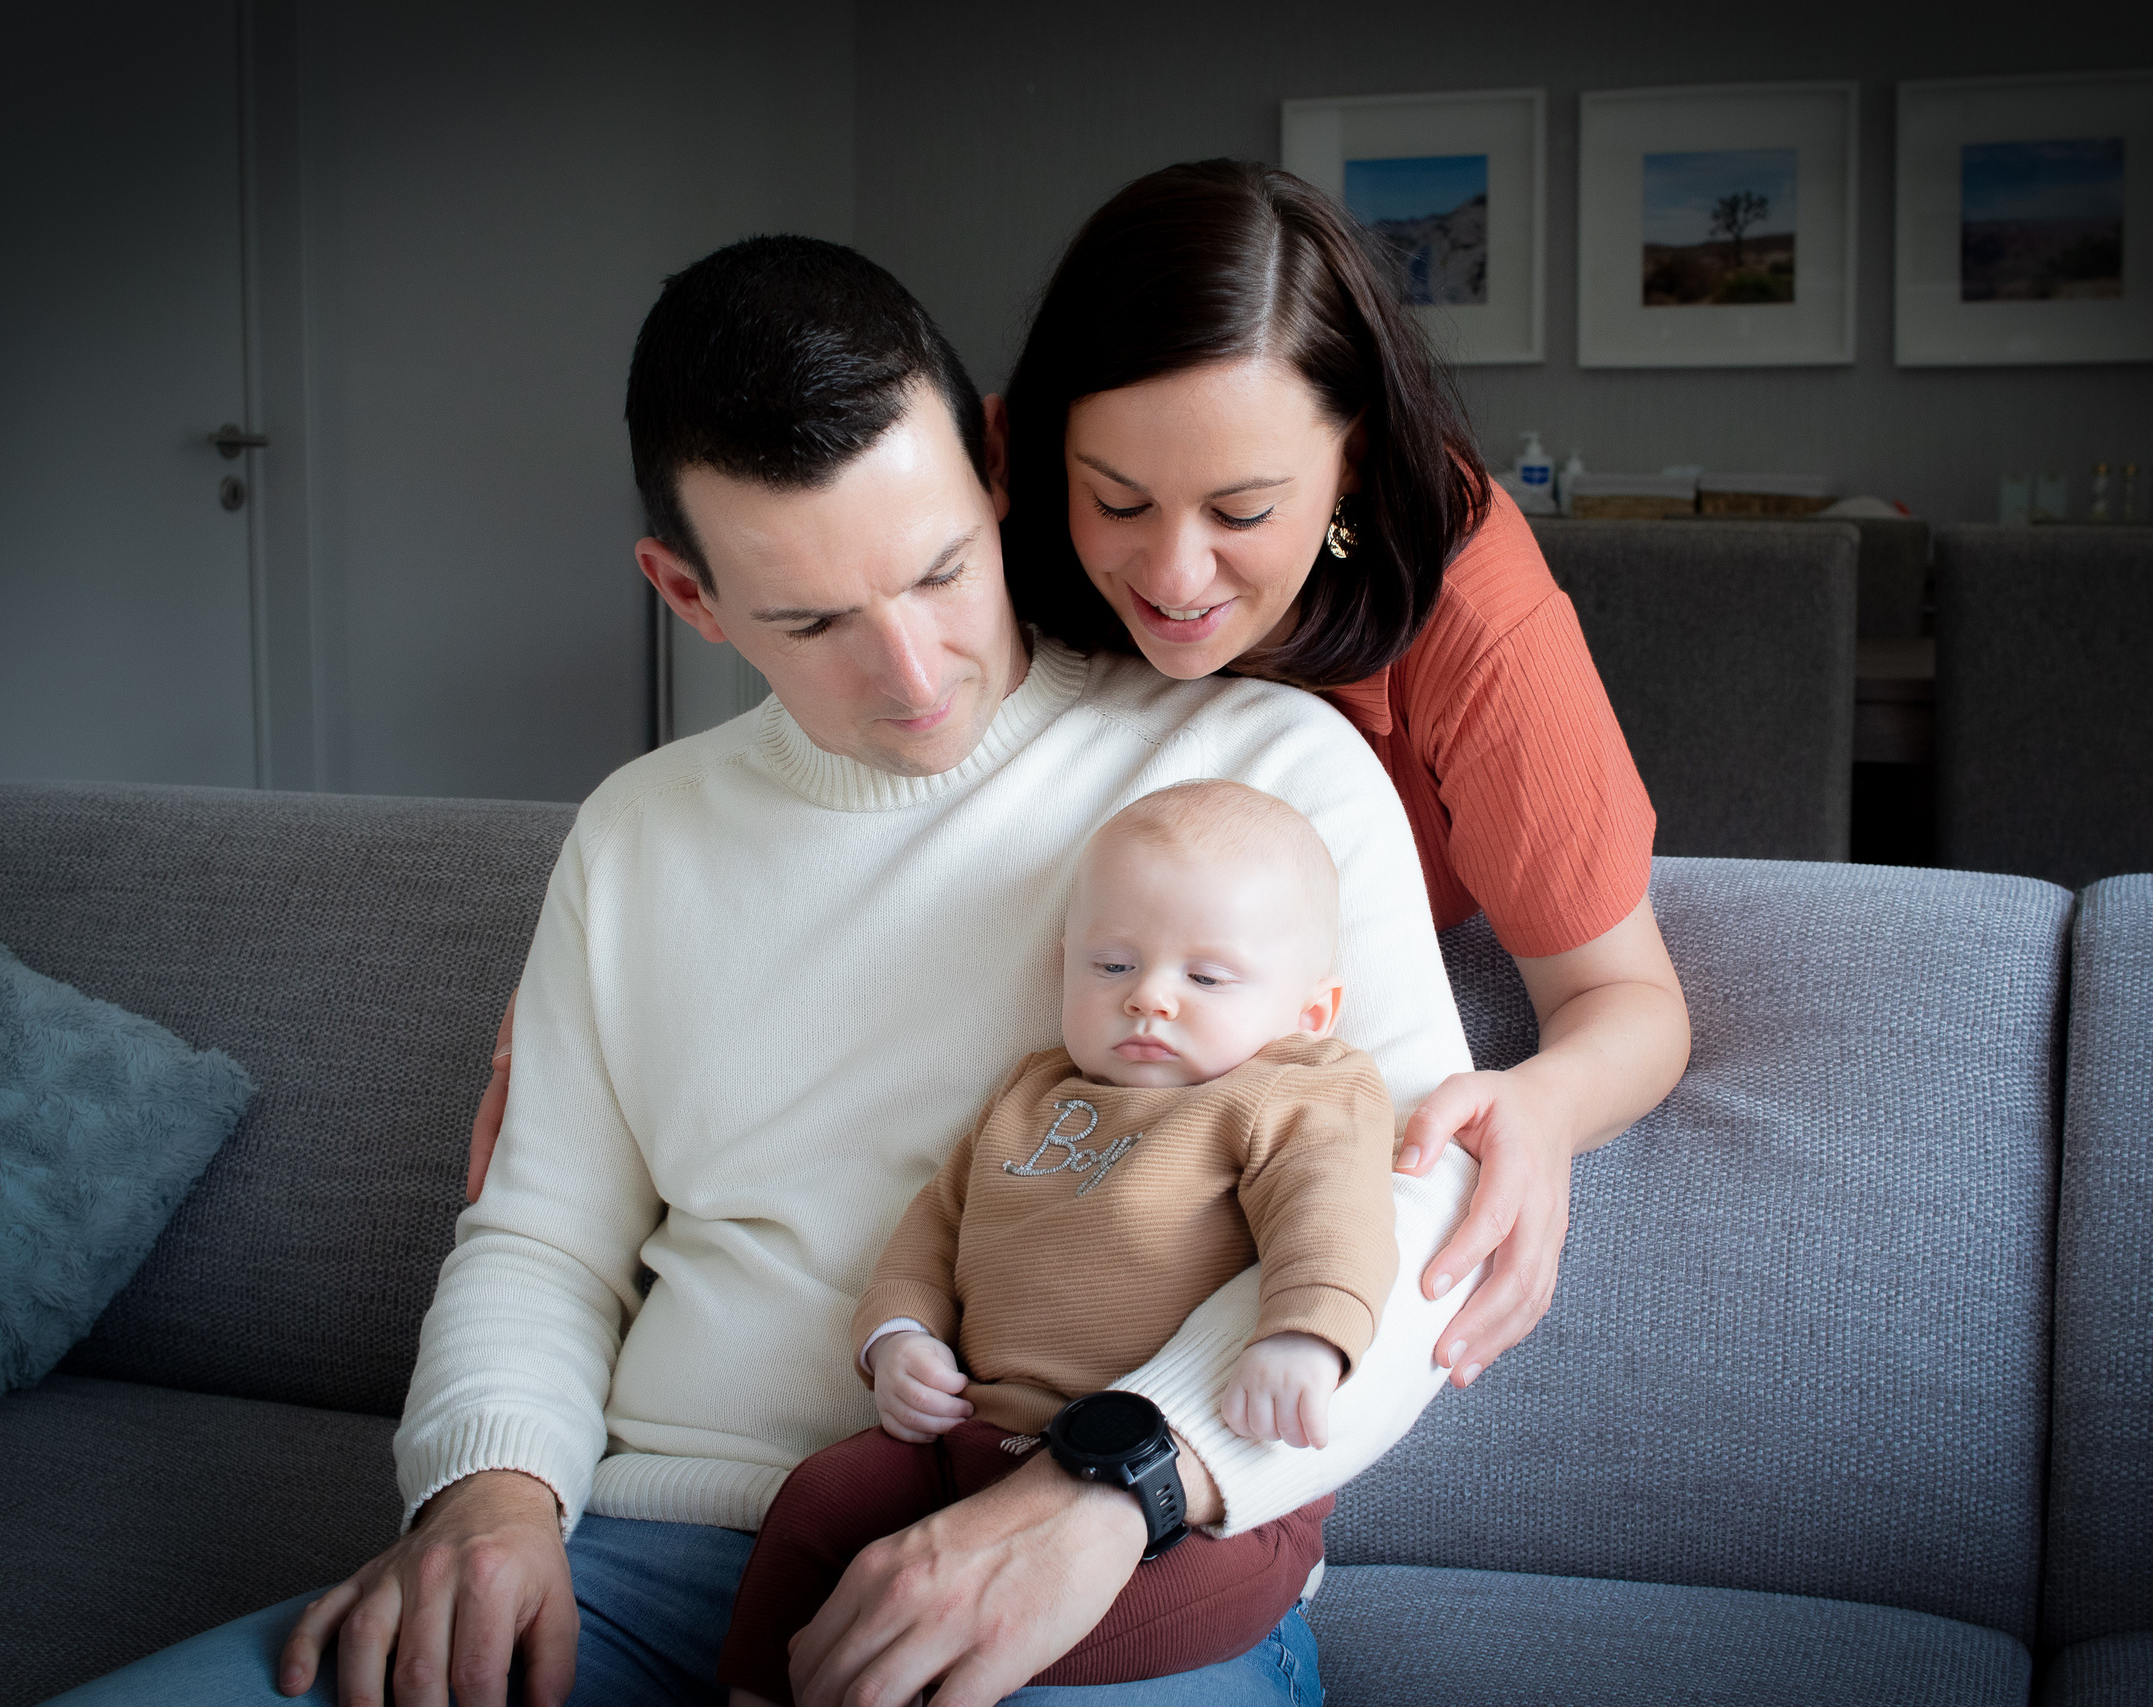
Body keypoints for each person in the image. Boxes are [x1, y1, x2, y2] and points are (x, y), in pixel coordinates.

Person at [49, 235, 1479, 1707]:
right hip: (642, 1554)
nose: (917, 675)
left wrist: (1113, 1487)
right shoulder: (639, 832)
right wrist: (491, 1488)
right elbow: (542, 1236)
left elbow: (1414, 1201)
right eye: (812, 620)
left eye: (942, 571)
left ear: (995, 481)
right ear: (688, 594)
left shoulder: (1257, 770)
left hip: (1109, 1562)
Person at [471, 163, 1691, 1404]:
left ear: (1353, 468)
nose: (1173, 573)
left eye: (1242, 508)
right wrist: (596, 987)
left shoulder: (1465, 617)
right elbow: (827, 593)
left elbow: (1626, 998)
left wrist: (1541, 1107)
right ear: (1028, 462)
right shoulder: (985, 487)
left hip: (1262, 1114)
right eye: (1116, 500)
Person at [721, 780, 1395, 1706]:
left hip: (1186, 1517)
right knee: (818, 1499)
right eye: (1113, 966)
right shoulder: (1034, 1093)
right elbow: (933, 1228)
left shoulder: (1294, 1090)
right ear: (1063, 963)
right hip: (973, 1434)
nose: (1150, 999)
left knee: (1037, 1638)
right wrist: (899, 1337)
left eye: (1206, 977)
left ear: (1311, 1011)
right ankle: (757, 1687)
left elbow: (1339, 1214)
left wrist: (1304, 1336)